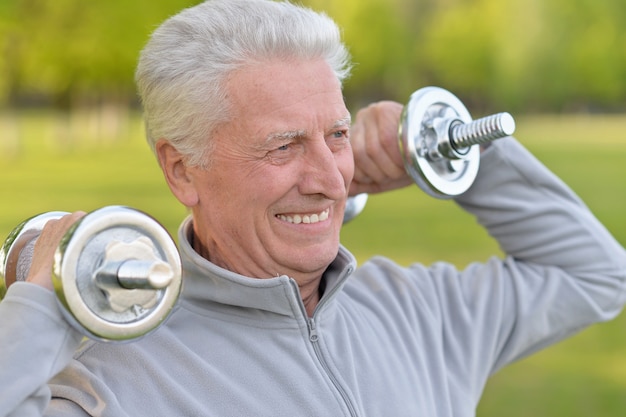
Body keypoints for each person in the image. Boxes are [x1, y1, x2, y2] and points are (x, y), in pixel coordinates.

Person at [0, 0, 625, 415]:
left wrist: (443, 142)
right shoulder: (116, 380)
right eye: (284, 145)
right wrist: (40, 308)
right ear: (181, 168)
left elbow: (596, 275)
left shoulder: (416, 312)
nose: (331, 179)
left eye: (337, 135)